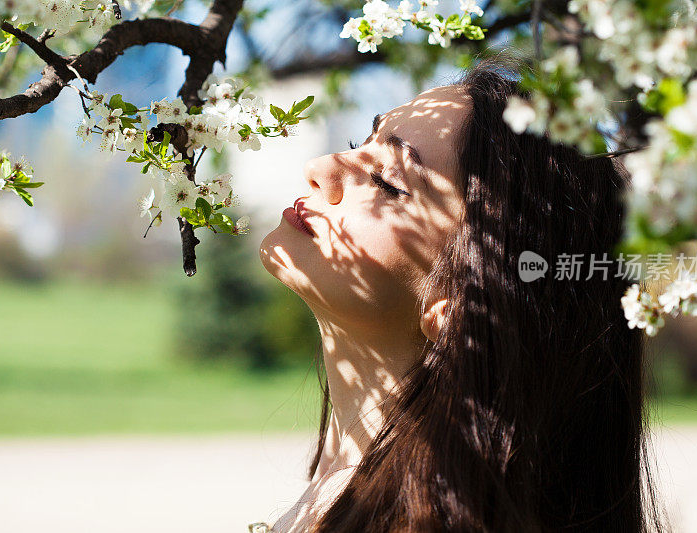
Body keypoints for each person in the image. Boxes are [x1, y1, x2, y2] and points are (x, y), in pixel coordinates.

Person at [256, 58, 666, 533]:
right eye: (360, 144)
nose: (322, 166)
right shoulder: (351, 494)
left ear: (461, 302)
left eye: (389, 184)